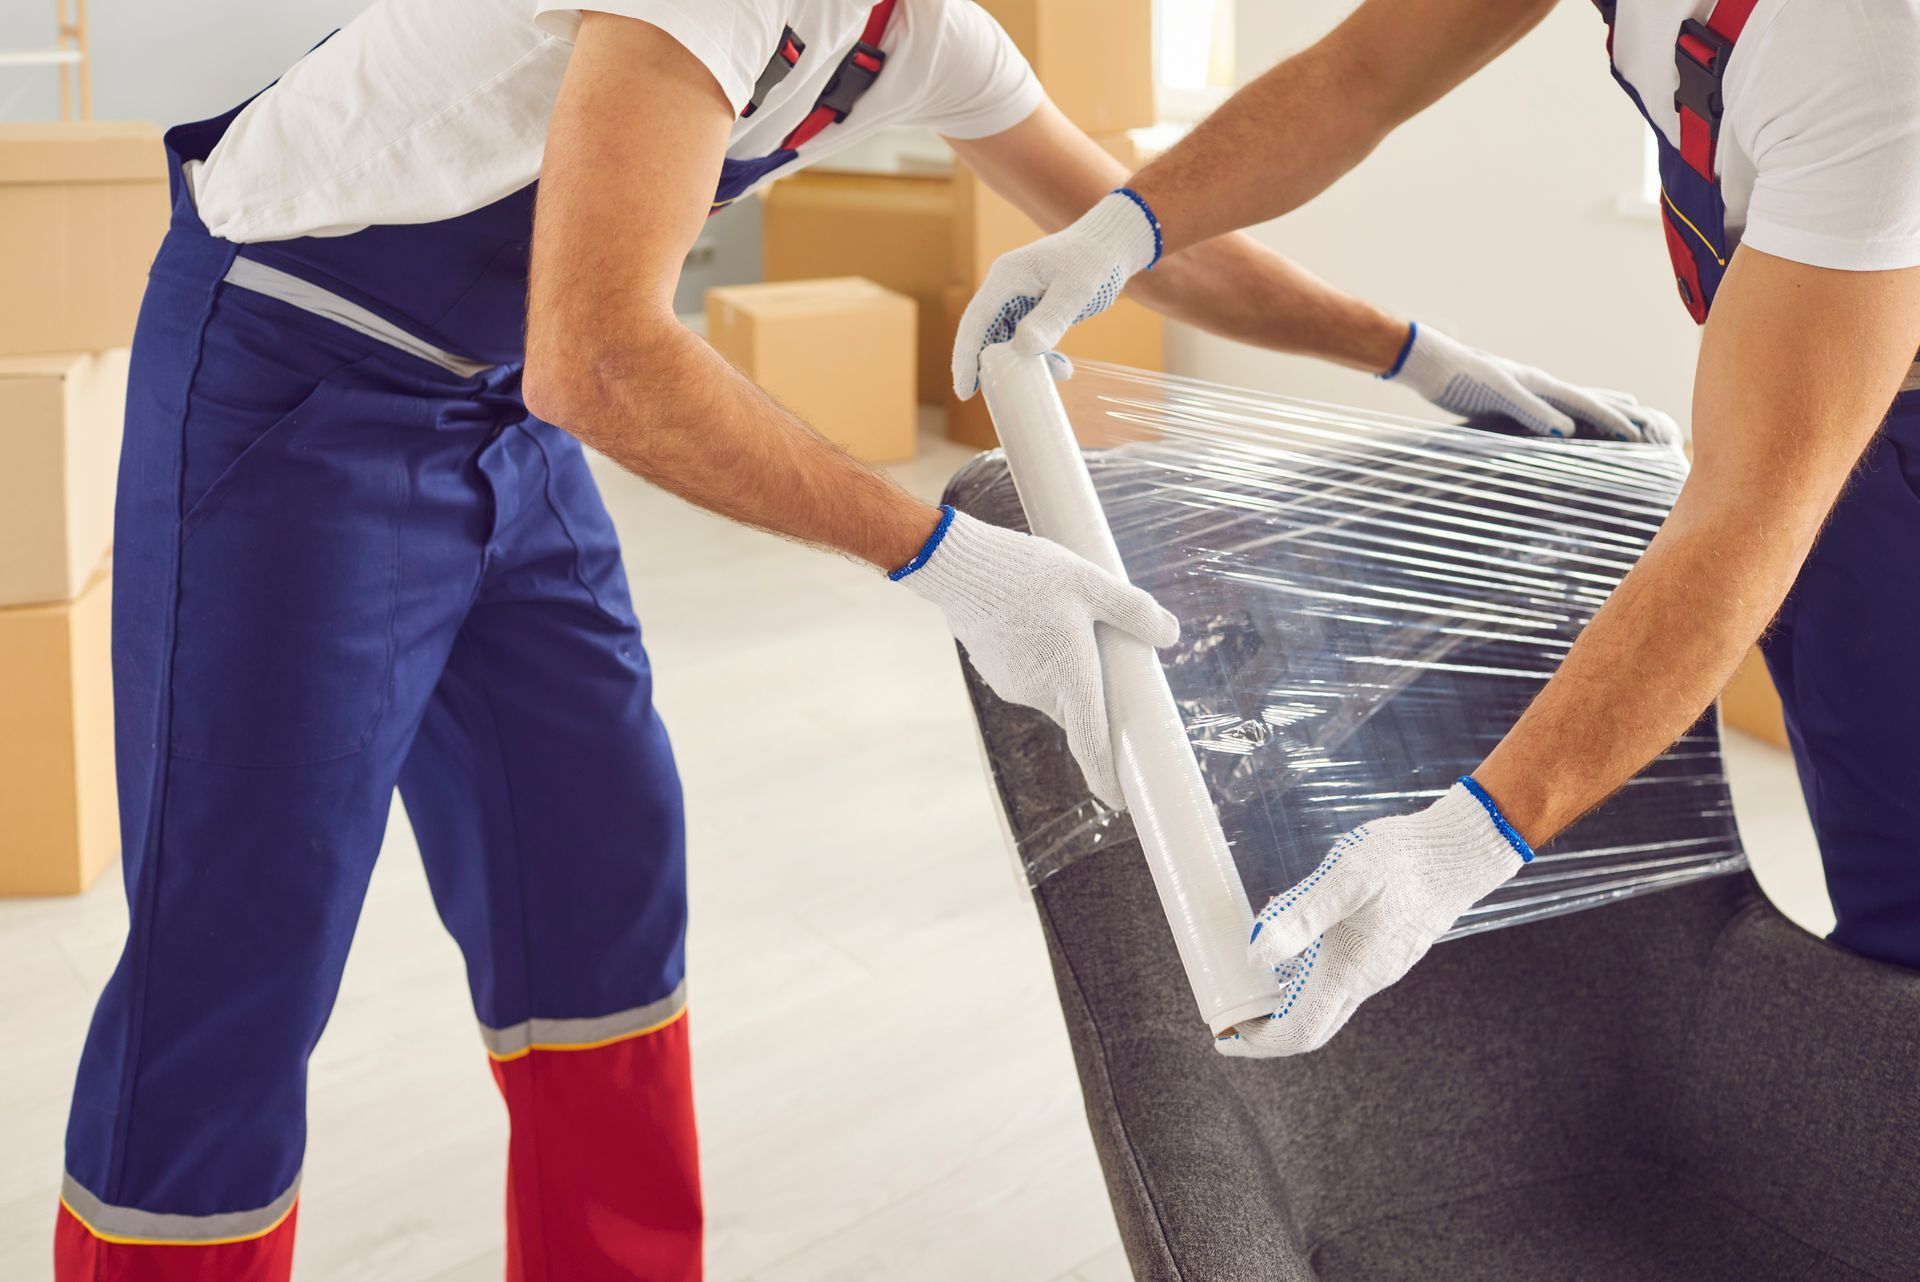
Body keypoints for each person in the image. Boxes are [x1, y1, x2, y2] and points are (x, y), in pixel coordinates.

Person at [55, 1, 1674, 1277]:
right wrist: (959, 566)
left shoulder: (917, 31)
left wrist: (1424, 360)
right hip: (294, 384)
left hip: (499, 400)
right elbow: (605, 357)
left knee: (601, 891)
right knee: (239, 952)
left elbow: (1147, 228)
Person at [955, 0, 1920, 1057]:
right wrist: (1125, 228)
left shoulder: (1863, 31)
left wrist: (1469, 839)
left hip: (1871, 434)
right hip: (1831, 430)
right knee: (1880, 880)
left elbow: (1751, 500)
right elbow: (1363, 71)